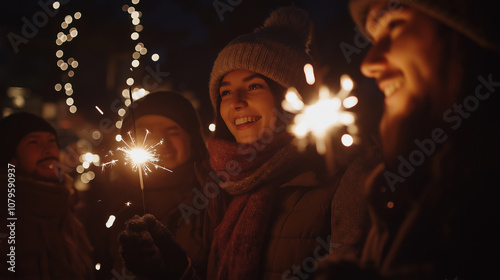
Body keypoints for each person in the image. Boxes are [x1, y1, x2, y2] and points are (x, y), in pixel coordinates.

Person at [118, 7, 372, 280]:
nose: (236, 102)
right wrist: (175, 270)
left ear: (291, 95)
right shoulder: (224, 186)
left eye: (254, 86)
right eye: (225, 92)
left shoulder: (345, 179)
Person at [317, 1, 500, 279]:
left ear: (468, 31)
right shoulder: (404, 191)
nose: (369, 64)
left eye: (394, 24)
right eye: (375, 38)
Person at [105, 91, 209, 276]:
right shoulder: (103, 204)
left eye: (173, 130)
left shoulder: (213, 203)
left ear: (193, 140)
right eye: (145, 132)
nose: (160, 142)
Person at [0, 112, 93, 279]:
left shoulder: (66, 205)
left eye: (52, 141)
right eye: (34, 142)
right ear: (10, 156)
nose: (49, 149)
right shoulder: (7, 214)